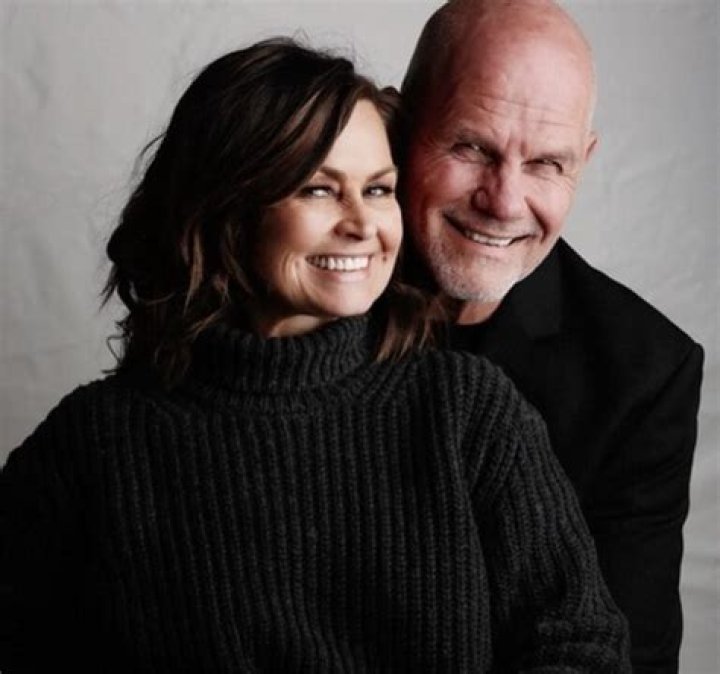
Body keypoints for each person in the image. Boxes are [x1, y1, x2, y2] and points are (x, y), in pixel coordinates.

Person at [0, 38, 631, 673]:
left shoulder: (465, 411)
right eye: (319, 190)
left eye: (378, 190)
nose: (362, 224)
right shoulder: (94, 444)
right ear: (228, 209)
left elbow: (580, 646)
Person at [399, 1, 704, 672]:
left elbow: (632, 655)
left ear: (583, 163)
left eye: (546, 164)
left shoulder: (644, 373)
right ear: (401, 125)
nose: (505, 202)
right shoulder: (301, 297)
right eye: (472, 147)